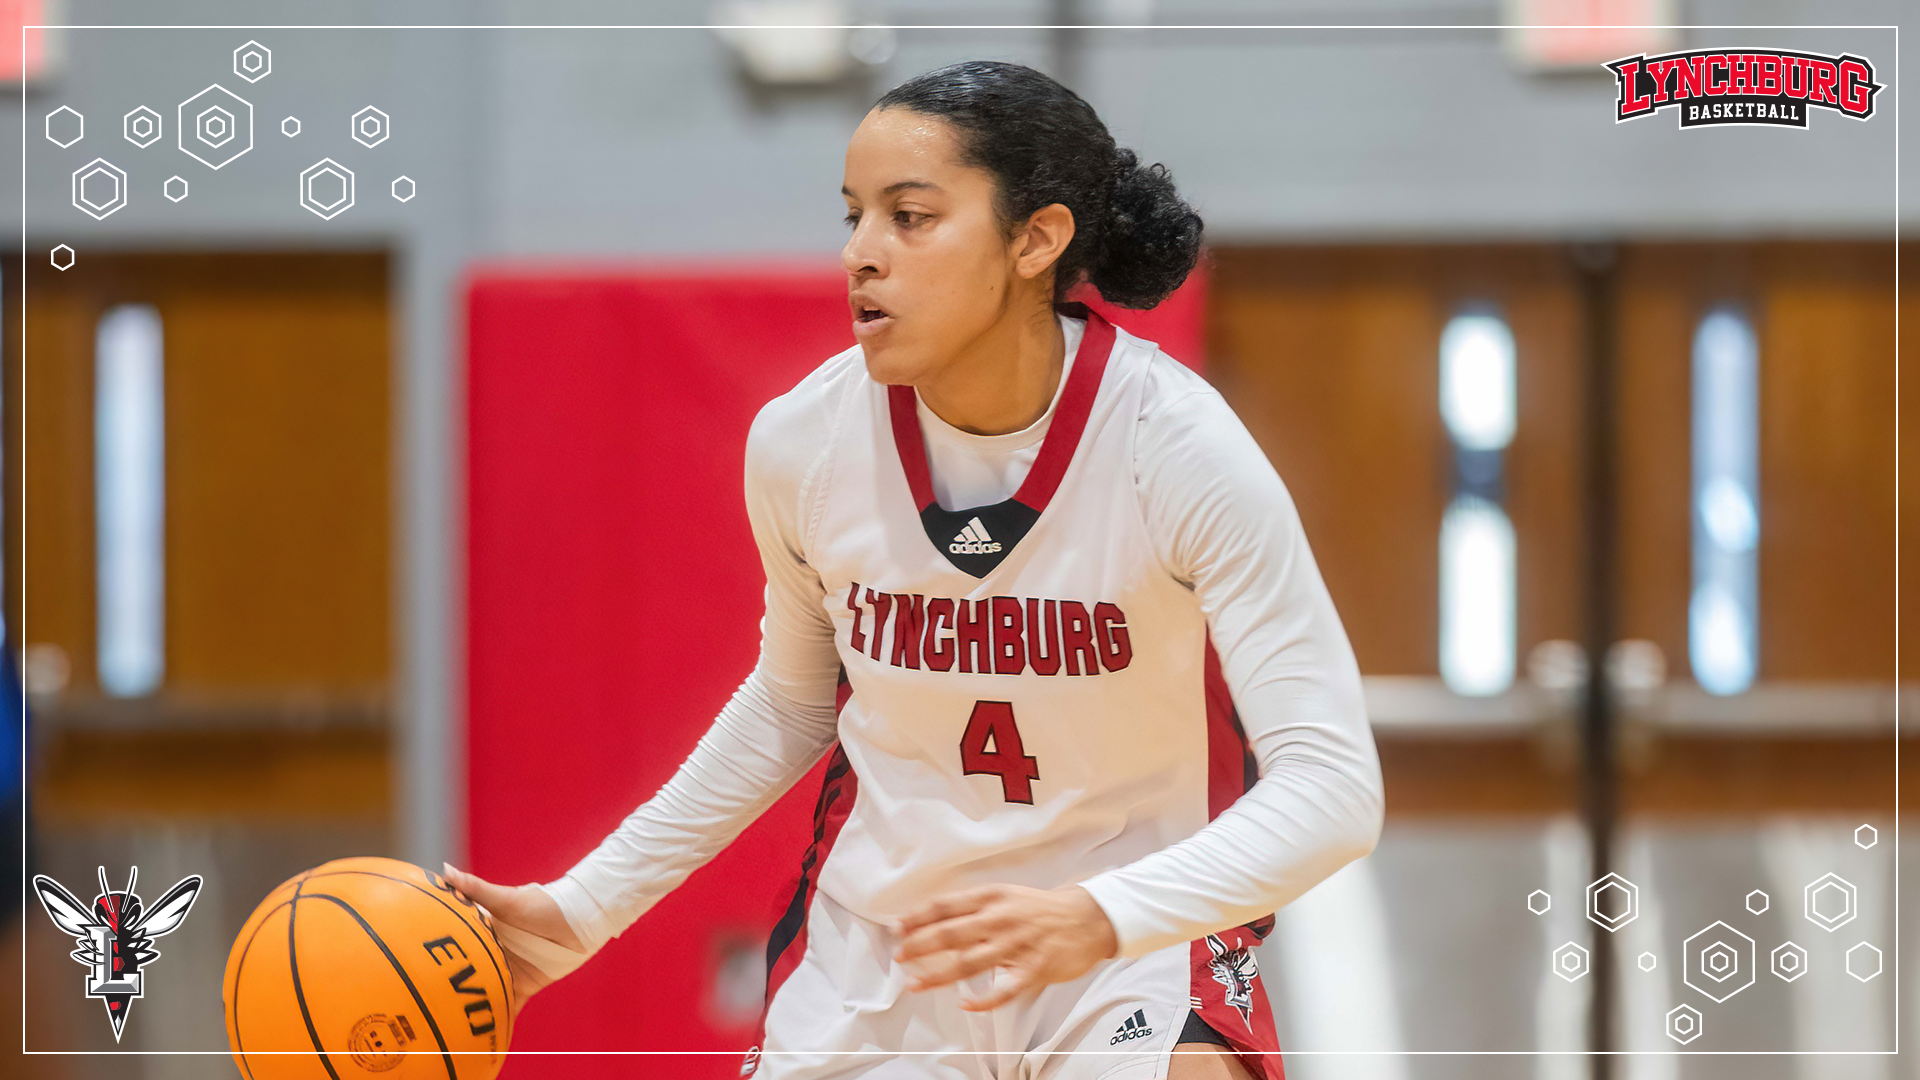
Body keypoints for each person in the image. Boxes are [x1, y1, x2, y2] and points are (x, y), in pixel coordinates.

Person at [445, 59, 1383, 1080]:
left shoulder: (1177, 449)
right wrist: (583, 908)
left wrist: (1102, 913)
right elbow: (789, 704)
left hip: (1128, 938)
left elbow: (1332, 786)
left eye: (911, 217)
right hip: (880, 958)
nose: (860, 253)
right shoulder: (805, 442)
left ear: (1036, 239)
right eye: (854, 216)